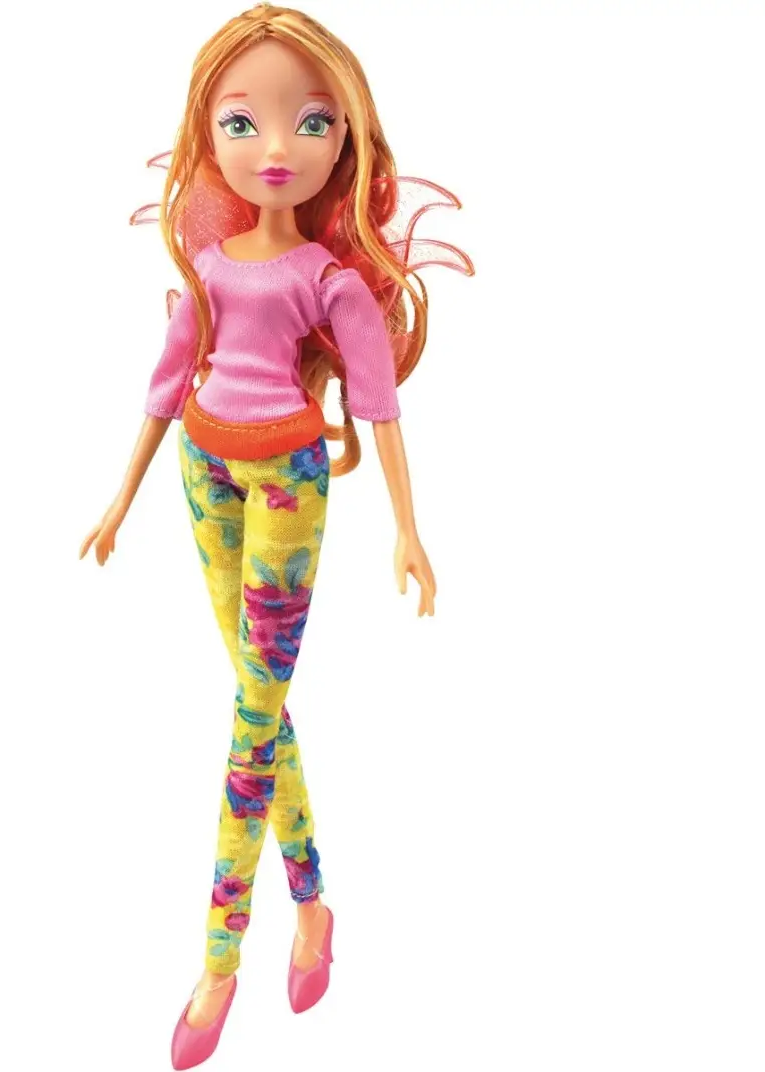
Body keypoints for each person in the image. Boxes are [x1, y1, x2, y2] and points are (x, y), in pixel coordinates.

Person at [79, 5, 473, 1068]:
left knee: (251, 722)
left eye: (313, 122)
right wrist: (119, 500)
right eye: (243, 122)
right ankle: (313, 907)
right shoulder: (210, 269)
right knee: (264, 708)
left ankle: (218, 960)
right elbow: (165, 384)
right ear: (206, 135)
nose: (277, 147)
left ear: (348, 140)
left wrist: (409, 529)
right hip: (202, 474)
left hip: (289, 486)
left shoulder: (330, 283)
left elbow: (379, 406)